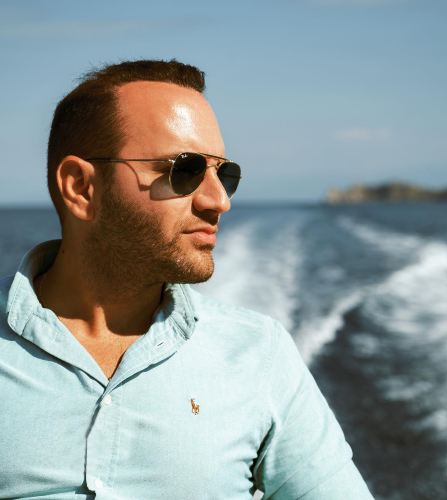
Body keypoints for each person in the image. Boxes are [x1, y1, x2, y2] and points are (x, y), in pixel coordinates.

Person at [0, 59, 374, 499]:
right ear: (81, 187)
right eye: (185, 170)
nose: (219, 201)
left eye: (224, 174)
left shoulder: (260, 353)